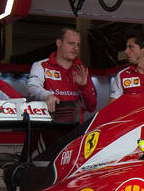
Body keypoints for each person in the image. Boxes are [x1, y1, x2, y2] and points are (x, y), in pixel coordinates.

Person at [27, 26, 97, 158]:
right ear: (59, 43)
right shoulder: (42, 65)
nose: (75, 48)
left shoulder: (81, 71)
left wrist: (84, 86)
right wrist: (46, 95)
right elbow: (32, 88)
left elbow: (92, 106)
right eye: (71, 43)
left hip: (75, 133)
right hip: (48, 132)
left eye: (78, 45)